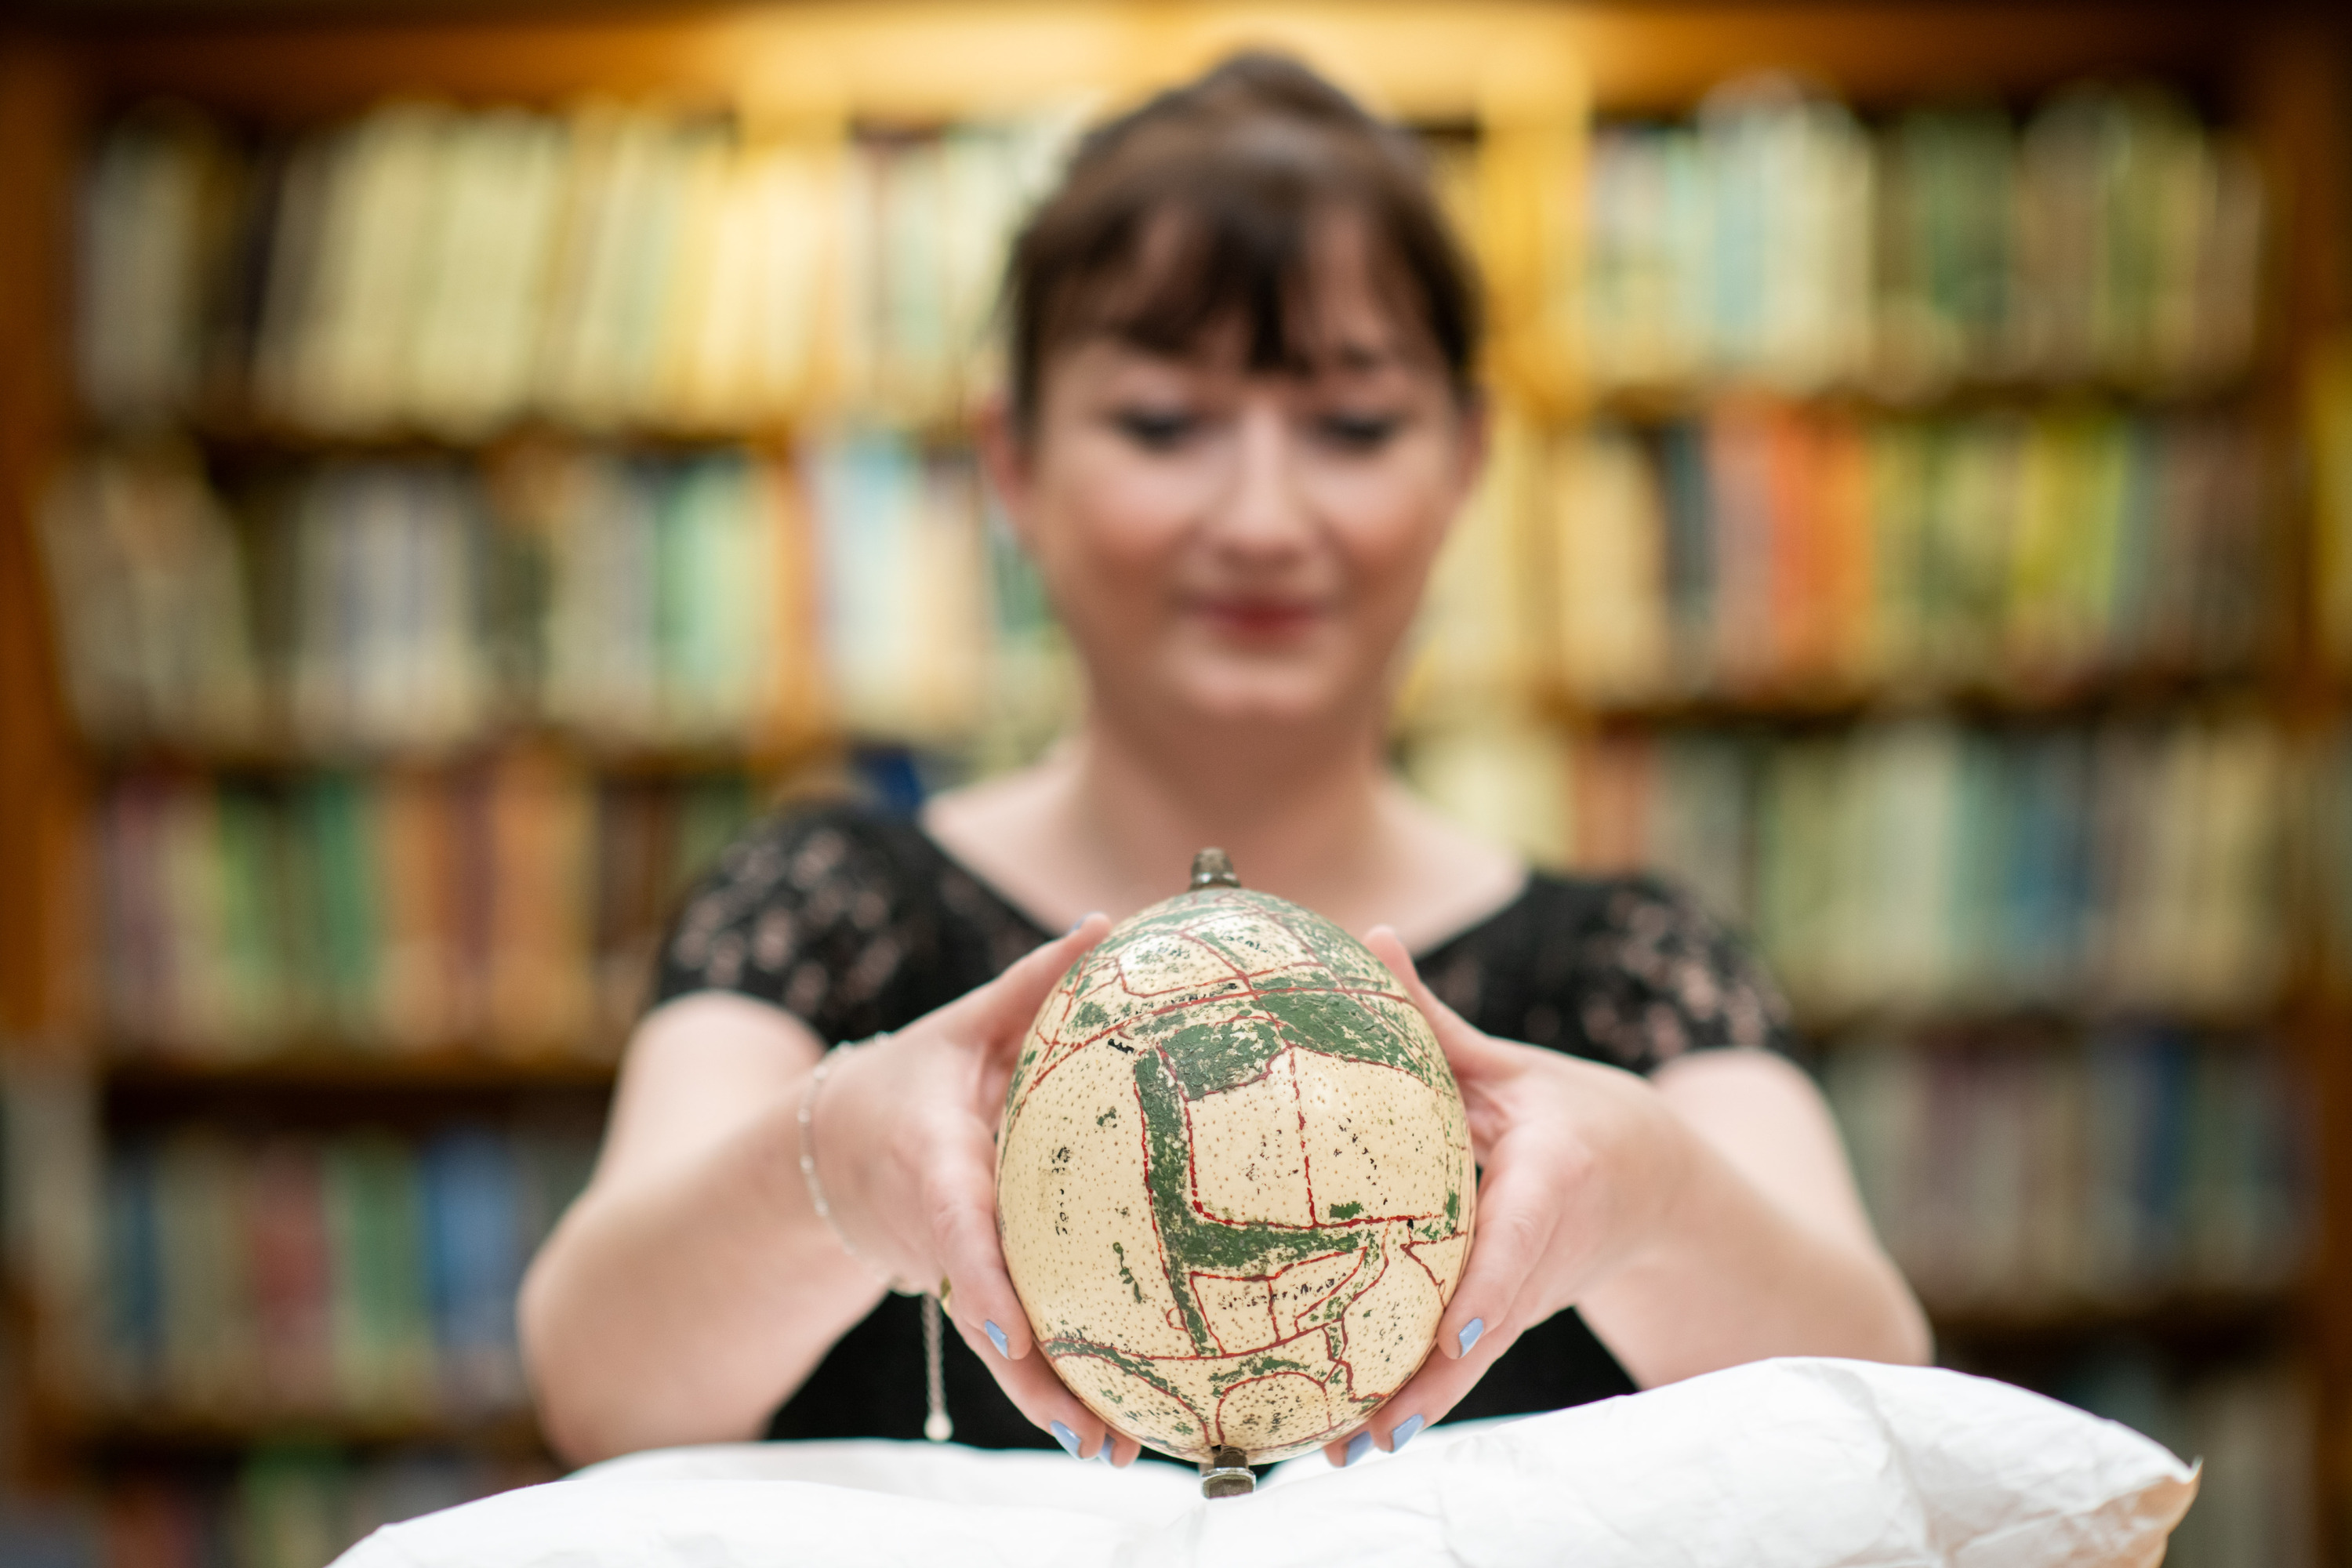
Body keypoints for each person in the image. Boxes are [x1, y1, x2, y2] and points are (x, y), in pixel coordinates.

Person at [518, 51, 1929, 1471]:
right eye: (1162, 423)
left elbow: (1880, 1419)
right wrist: (824, 1166)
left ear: (1465, 465)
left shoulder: (1631, 966)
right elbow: (601, 1392)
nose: (1261, 516)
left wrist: (1661, 1202)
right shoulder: (825, 907)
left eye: (1355, 425)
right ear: (1013, 462)